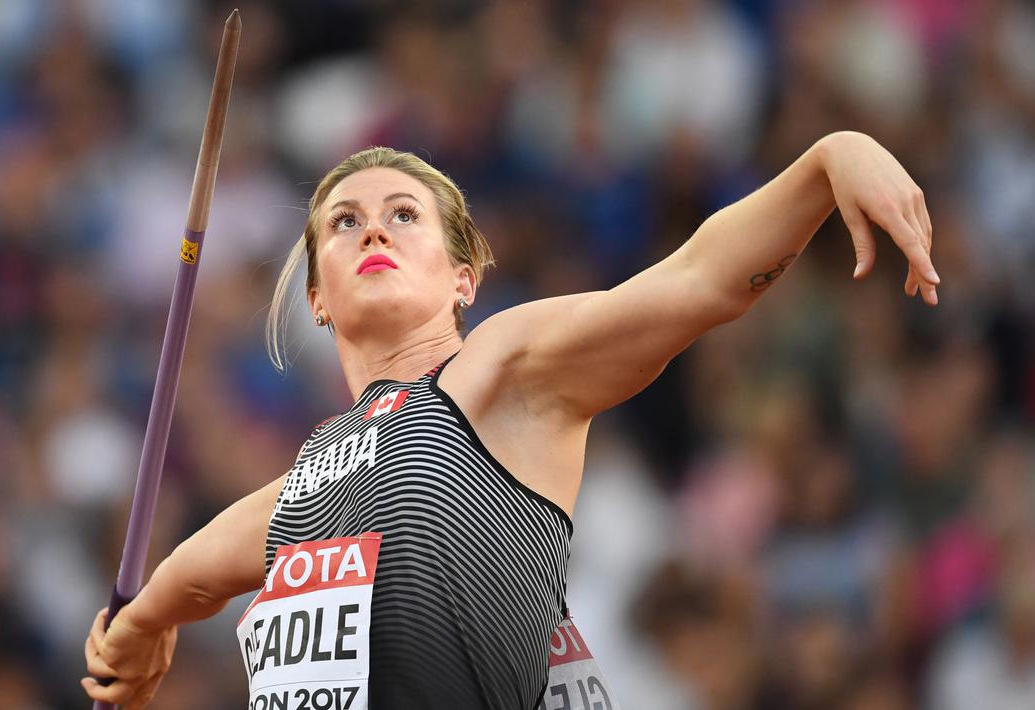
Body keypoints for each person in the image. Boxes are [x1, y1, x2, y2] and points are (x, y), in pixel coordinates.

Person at [82, 133, 938, 709]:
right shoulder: (315, 473)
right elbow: (201, 566)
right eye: (344, 222)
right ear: (316, 296)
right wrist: (141, 624)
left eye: (402, 215)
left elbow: (693, 282)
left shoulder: (496, 373)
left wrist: (831, 159)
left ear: (462, 279)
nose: (372, 227)